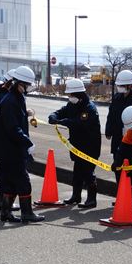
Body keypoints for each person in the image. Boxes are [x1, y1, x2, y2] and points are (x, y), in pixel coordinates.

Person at [0, 65, 45, 223]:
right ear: (19, 84)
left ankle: (6, 212)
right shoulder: (11, 101)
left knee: (9, 181)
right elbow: (12, 128)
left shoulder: (15, 98)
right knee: (23, 181)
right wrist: (27, 142)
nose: (28, 88)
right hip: (11, 149)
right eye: (27, 85)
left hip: (7, 148)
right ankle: (27, 213)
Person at [48, 79, 101, 208]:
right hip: (77, 144)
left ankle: (91, 199)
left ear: (79, 94)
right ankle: (75, 196)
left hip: (90, 146)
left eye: (71, 95)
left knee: (88, 172)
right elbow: (61, 111)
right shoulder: (72, 105)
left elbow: (78, 123)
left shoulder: (89, 108)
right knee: (77, 171)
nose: (69, 97)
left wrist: (62, 121)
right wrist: (53, 116)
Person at [105, 70, 132, 205]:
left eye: (122, 85)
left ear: (129, 85)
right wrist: (108, 130)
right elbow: (111, 115)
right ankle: (121, 195)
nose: (119, 87)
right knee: (118, 167)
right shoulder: (116, 98)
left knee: (131, 170)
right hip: (117, 138)